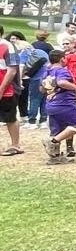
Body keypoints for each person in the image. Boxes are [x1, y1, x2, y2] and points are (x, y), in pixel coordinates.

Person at [38, 50, 76, 164]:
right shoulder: (62, 71)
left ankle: (55, 157)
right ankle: (53, 141)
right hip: (65, 104)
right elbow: (61, 82)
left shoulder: (47, 72)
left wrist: (51, 91)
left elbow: (41, 89)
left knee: (56, 129)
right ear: (62, 59)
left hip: (50, 105)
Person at [0, 27, 22, 156]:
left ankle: (15, 145)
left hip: (7, 89)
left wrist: (1, 89)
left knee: (10, 117)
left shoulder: (7, 46)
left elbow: (12, 70)